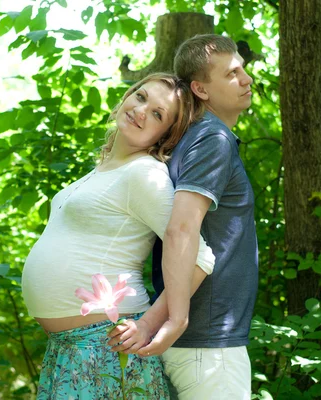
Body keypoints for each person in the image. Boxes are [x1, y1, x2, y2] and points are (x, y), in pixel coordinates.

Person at [21, 73, 216, 399]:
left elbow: (199, 257)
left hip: (107, 345)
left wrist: (149, 324)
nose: (141, 111)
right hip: (69, 350)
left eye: (157, 114)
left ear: (165, 135)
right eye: (141, 97)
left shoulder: (143, 174)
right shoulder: (102, 171)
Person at [108, 34, 259, 399]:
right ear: (200, 89)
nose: (247, 79)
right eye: (232, 73)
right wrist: (173, 320)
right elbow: (181, 229)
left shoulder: (190, 140)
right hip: (207, 347)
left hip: (196, 342)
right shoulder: (211, 139)